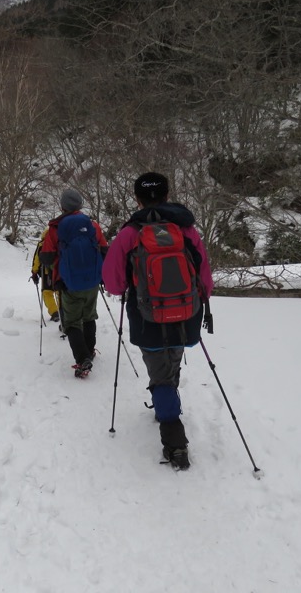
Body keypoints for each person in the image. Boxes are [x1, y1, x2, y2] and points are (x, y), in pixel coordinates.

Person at [101, 172, 214, 470]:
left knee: (159, 374)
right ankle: (167, 400)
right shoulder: (187, 230)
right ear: (166, 195)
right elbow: (205, 279)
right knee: (172, 361)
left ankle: (175, 442)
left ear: (137, 198)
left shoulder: (129, 234)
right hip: (186, 314)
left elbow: (112, 283)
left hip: (147, 318)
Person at [39, 189, 108, 378]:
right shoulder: (93, 225)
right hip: (92, 282)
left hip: (68, 283)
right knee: (89, 316)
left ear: (63, 206)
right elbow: (104, 250)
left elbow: (46, 257)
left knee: (71, 322)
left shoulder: (56, 228)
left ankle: (82, 358)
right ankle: (90, 351)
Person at [30, 227, 60, 322]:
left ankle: (54, 312)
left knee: (47, 293)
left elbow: (37, 260)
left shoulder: (42, 244)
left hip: (47, 273)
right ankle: (64, 313)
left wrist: (34, 273)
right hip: (60, 272)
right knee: (60, 293)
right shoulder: (61, 242)